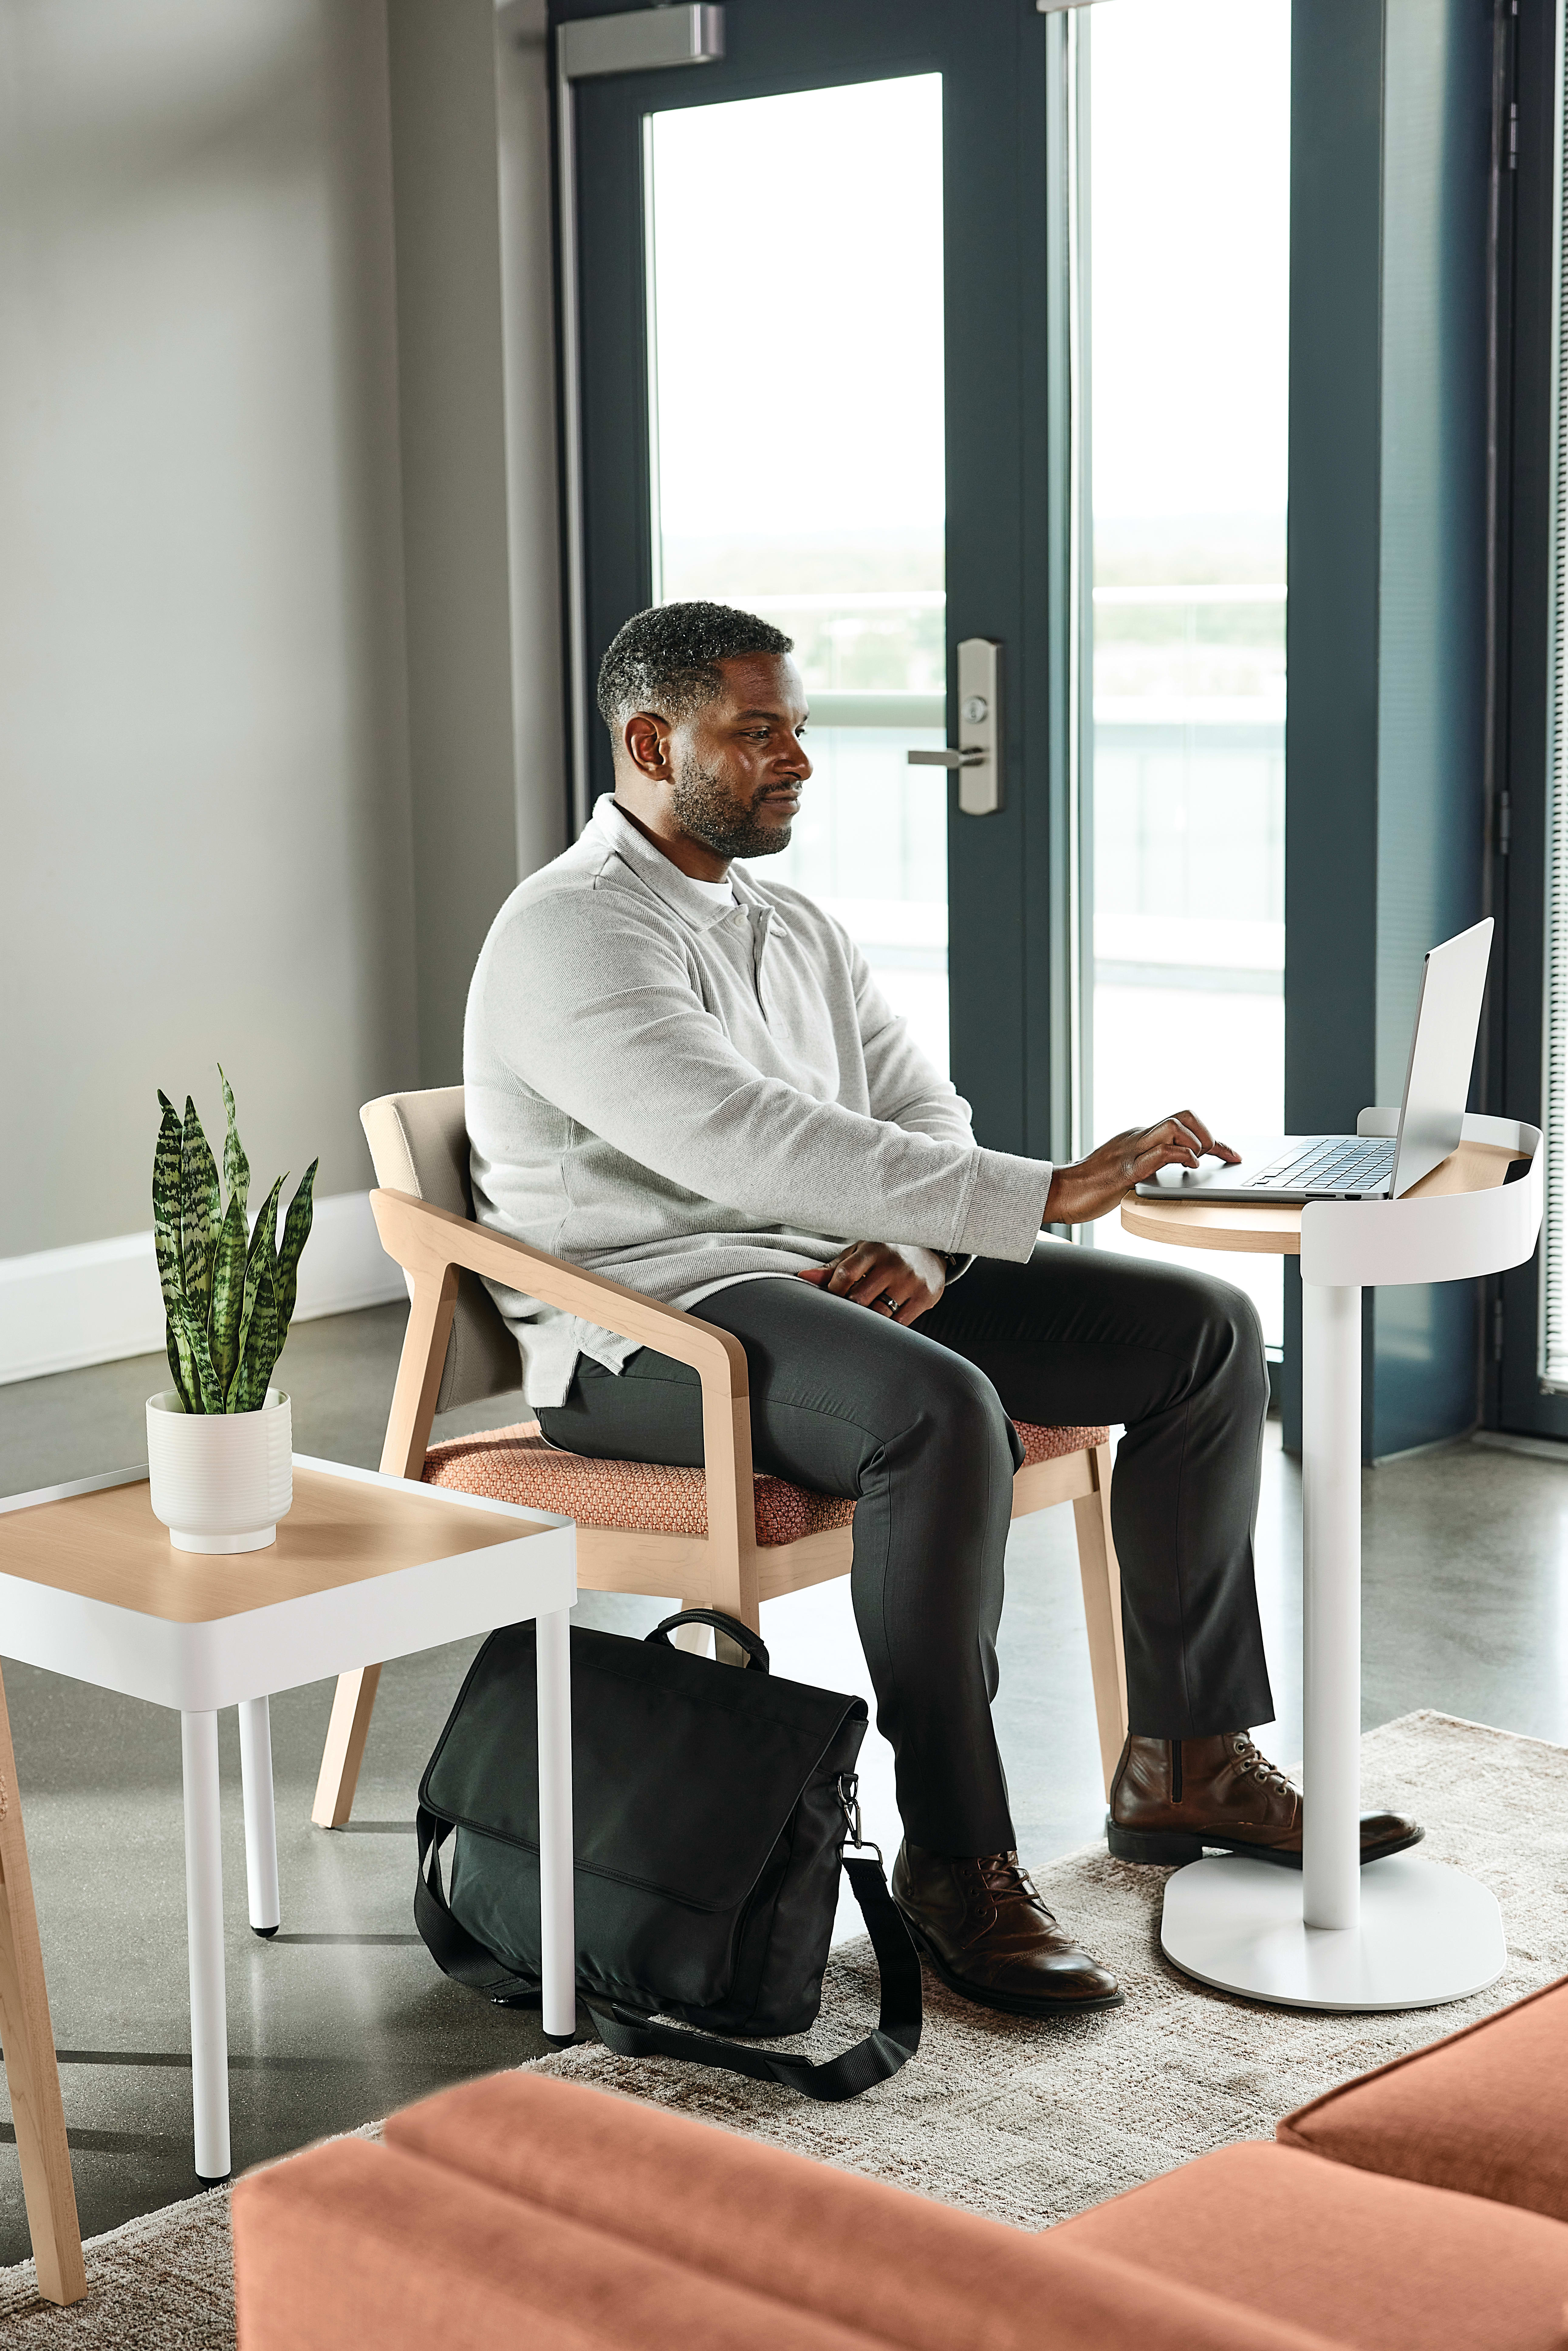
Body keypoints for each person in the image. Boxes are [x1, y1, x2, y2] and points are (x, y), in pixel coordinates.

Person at [464, 601, 1420, 2020]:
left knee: (1204, 1335)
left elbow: (917, 1107)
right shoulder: (570, 932)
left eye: (799, 725)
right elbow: (738, 1139)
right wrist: (1039, 1191)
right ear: (651, 743)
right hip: (650, 1327)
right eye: (759, 730)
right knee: (935, 1409)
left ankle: (1187, 1763)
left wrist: (929, 1246)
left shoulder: (792, 921)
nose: (796, 757)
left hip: (832, 1280)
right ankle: (957, 1858)